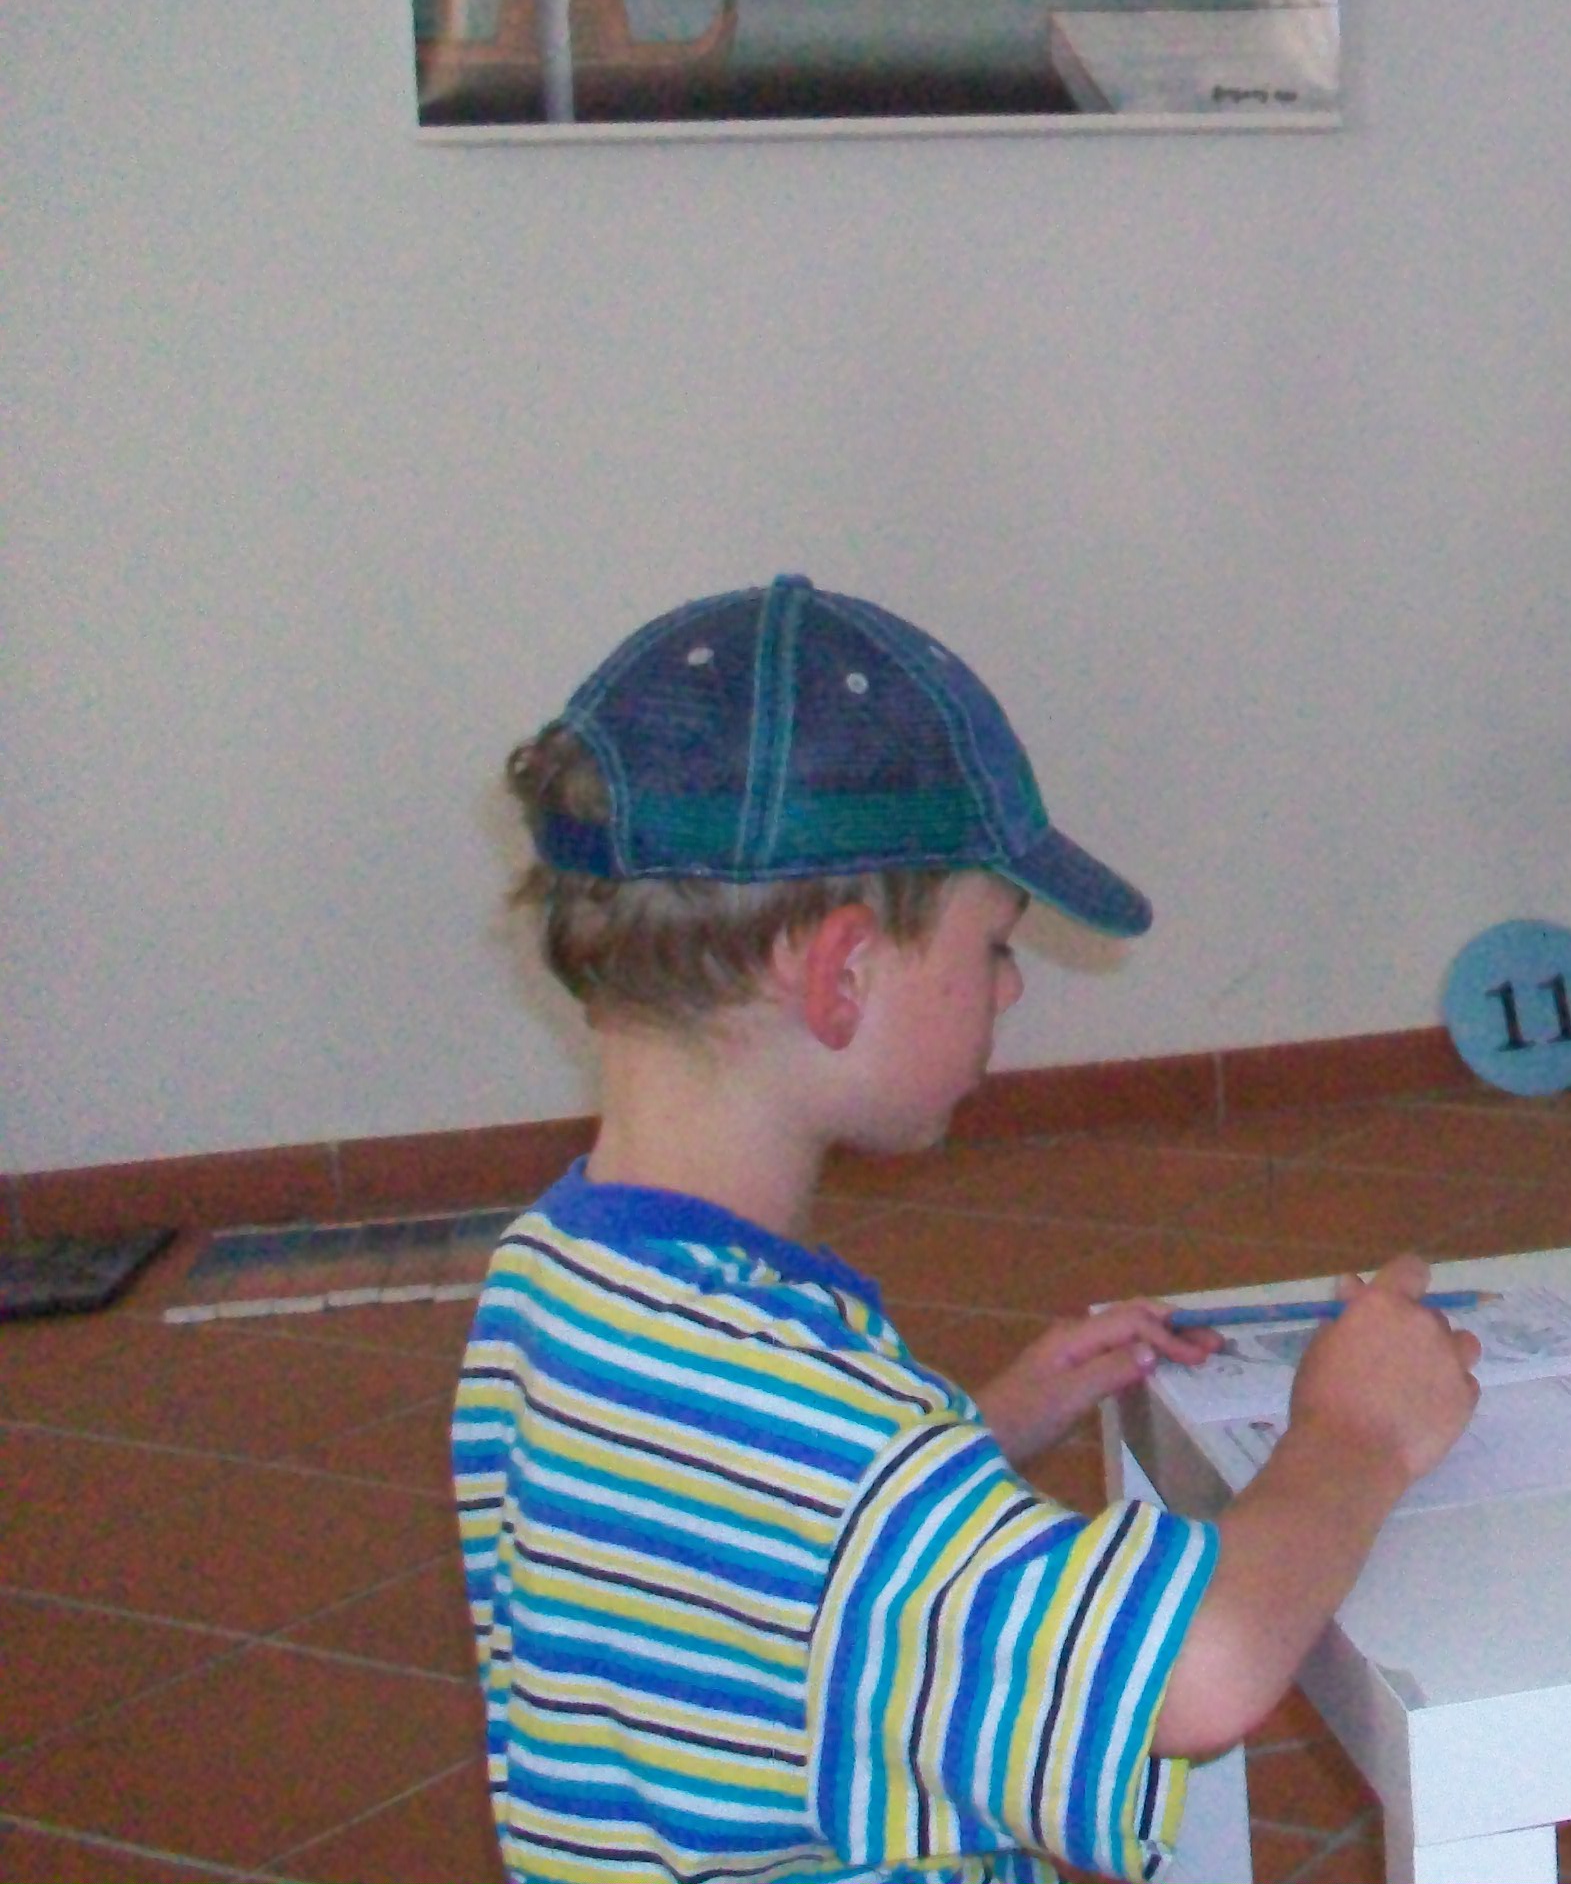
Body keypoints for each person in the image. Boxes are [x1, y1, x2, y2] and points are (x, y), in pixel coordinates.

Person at [456, 574, 1480, 1883]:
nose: (1008, 989)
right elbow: (1199, 1674)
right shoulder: (811, 1437)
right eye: (995, 943)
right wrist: (1356, 1431)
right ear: (840, 972)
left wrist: (974, 1429)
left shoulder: (550, 1274)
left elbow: (724, 1567)